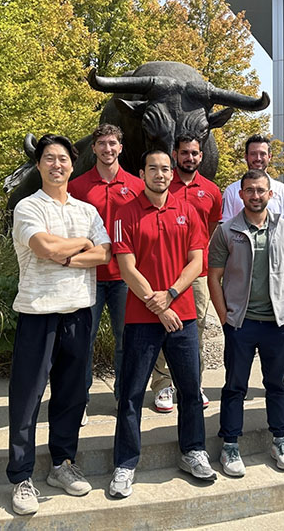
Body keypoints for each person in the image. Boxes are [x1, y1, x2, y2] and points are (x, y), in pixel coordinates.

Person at [8, 134, 111, 515]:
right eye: (49, 158)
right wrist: (80, 245)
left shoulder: (86, 210)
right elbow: (43, 248)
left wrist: (69, 252)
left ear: (72, 164)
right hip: (38, 312)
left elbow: (105, 253)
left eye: (63, 159)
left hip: (79, 311)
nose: (56, 165)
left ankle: (62, 464)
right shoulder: (27, 207)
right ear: (39, 165)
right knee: (27, 398)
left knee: (71, 395)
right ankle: (20, 476)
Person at [109, 149, 214, 498]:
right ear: (142, 173)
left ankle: (193, 451)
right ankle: (125, 464)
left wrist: (169, 295)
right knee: (132, 393)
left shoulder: (189, 211)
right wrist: (157, 306)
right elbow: (126, 268)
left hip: (181, 315)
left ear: (172, 174)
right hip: (141, 318)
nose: (160, 174)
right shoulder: (125, 214)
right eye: (152, 168)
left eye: (165, 169)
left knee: (189, 388)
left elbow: (196, 261)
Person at [208, 169, 284, 477]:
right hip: (241, 322)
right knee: (235, 385)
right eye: (249, 190)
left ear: (270, 194)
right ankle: (230, 445)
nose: (255, 195)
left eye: (261, 190)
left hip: (278, 321)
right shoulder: (227, 230)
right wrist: (225, 317)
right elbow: (214, 277)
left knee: (276, 385)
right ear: (240, 194)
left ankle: (280, 439)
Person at [67, 124, 144, 407]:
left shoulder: (137, 187)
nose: (107, 149)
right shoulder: (77, 186)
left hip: (126, 277)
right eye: (102, 144)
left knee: (126, 340)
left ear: (120, 148)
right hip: (88, 276)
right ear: (94, 148)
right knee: (82, 342)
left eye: (113, 143)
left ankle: (124, 396)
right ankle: (80, 399)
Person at [150, 135, 223, 413]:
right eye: (184, 153)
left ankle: (193, 383)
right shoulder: (165, 185)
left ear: (201, 156)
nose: (189, 158)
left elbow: (212, 225)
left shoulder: (212, 191)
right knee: (162, 327)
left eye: (194, 153)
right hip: (164, 269)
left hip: (199, 272)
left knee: (198, 328)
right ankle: (163, 385)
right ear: (174, 154)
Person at [220, 135, 284, 224]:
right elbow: (225, 226)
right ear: (246, 157)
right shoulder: (231, 191)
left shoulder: (283, 190)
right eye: (253, 154)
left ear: (269, 156)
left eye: (262, 154)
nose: (258, 158)